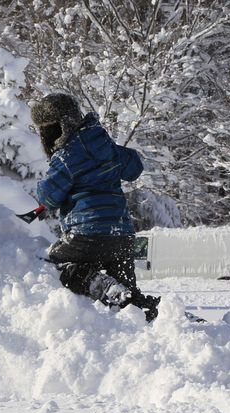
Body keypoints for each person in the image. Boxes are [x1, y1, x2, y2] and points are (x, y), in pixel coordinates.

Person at [31, 93, 160, 321]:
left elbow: (48, 197)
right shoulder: (105, 144)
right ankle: (154, 316)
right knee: (127, 302)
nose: (48, 135)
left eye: (51, 128)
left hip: (87, 235)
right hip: (121, 234)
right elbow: (135, 168)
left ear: (65, 124)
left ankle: (103, 286)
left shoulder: (66, 157)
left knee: (51, 268)